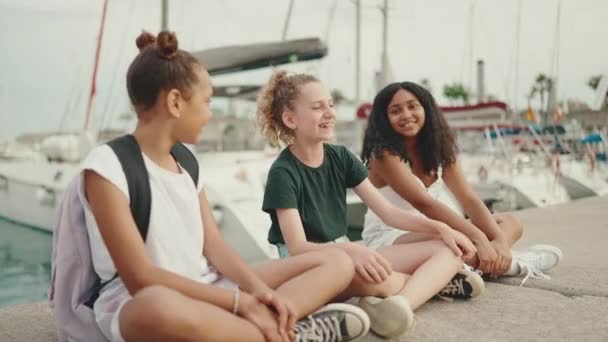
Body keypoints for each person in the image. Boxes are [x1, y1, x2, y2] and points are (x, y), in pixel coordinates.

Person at [79, 31, 371, 342]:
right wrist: (239, 302)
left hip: (206, 286)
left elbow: (215, 246)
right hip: (144, 300)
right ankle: (289, 334)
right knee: (155, 308)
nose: (209, 114)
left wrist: (260, 293)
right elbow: (140, 278)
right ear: (176, 102)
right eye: (207, 102)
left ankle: (271, 328)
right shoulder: (107, 167)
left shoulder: (187, 163)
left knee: (336, 261)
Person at [257, 71, 484, 338]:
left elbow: (389, 213)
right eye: (317, 107)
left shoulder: (340, 157)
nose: (329, 112)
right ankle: (428, 286)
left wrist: (441, 228)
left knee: (449, 249)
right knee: (385, 280)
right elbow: (297, 247)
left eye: (331, 104)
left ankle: (401, 303)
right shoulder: (283, 172)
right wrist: (354, 252)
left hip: (346, 253)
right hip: (312, 267)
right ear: (290, 119)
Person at [360, 81, 562, 283]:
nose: (406, 115)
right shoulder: (384, 155)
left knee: (510, 222)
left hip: (436, 229)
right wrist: (479, 238)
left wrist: (499, 242)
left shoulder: (441, 148)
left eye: (413, 106)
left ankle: (485, 262)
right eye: (395, 111)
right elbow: (424, 203)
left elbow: (468, 198)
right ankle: (518, 264)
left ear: (426, 109)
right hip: (393, 235)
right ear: (384, 119)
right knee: (451, 240)